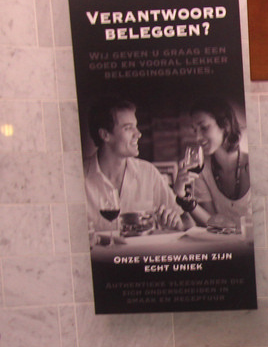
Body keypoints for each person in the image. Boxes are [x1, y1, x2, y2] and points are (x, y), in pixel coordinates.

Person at [84, 95, 187, 244]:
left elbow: (185, 223)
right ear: (105, 135)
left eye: (136, 126)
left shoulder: (149, 173)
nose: (138, 134)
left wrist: (175, 224)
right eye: (128, 128)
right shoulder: (77, 179)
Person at [178, 96, 253, 231]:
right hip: (223, 243)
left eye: (204, 128)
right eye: (195, 130)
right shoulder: (202, 170)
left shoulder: (254, 165)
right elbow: (211, 223)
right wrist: (183, 197)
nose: (197, 137)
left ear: (225, 125)